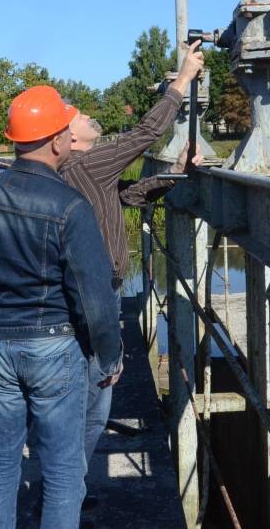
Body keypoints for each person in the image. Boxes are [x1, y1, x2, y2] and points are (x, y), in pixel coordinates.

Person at [0, 85, 122, 529]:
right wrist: (109, 354)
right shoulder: (69, 205)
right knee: (63, 468)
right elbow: (94, 295)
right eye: (65, 128)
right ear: (56, 140)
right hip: (54, 347)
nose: (69, 135)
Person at [60, 40, 205, 482]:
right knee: (99, 388)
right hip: (97, 293)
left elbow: (128, 194)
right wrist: (182, 81)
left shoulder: (84, 173)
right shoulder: (86, 163)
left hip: (92, 289)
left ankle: (68, 477)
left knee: (87, 388)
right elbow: (143, 135)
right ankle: (71, 483)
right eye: (81, 117)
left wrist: (177, 170)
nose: (90, 117)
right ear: (68, 138)